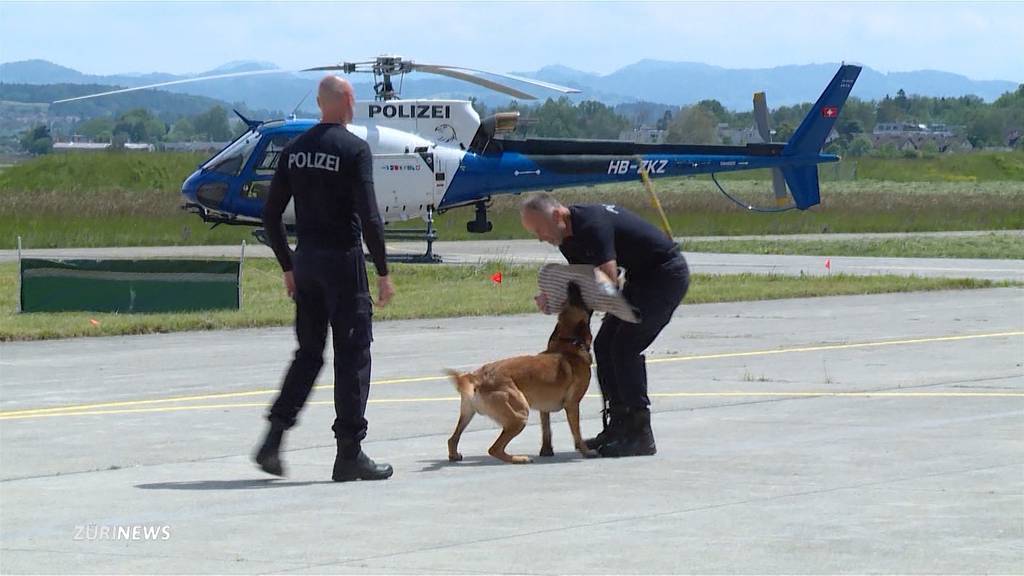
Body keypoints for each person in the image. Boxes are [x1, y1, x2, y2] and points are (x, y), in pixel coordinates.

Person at [255, 75, 395, 482]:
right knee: (353, 357)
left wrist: (287, 266)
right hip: (343, 263)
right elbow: (370, 217)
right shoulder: (354, 149)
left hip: (307, 263)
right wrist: (384, 271)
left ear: (320, 103)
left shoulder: (295, 150)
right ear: (348, 99)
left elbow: (270, 216)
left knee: (309, 354)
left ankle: (273, 438)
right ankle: (349, 454)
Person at [520, 193, 689, 457]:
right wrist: (554, 299)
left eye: (539, 229)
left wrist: (565, 299)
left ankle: (640, 434)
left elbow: (607, 283)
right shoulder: (567, 239)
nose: (540, 237)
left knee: (624, 347)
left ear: (556, 216)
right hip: (640, 280)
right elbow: (584, 287)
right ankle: (618, 427)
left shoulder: (591, 225)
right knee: (604, 344)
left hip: (665, 276)